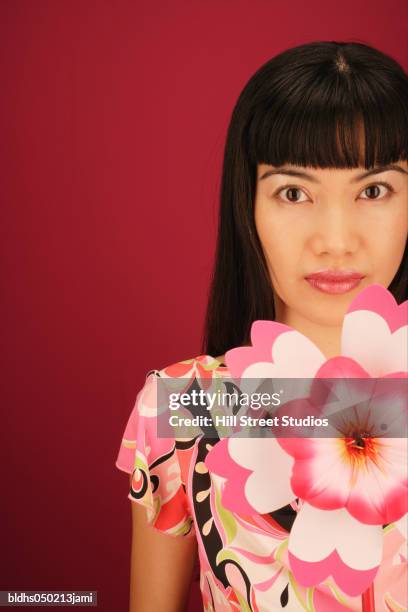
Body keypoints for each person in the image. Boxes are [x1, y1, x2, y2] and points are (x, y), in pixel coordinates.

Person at [115, 40, 408, 611]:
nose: (336, 240)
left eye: (374, 190)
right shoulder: (185, 407)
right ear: (247, 204)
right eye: (294, 192)